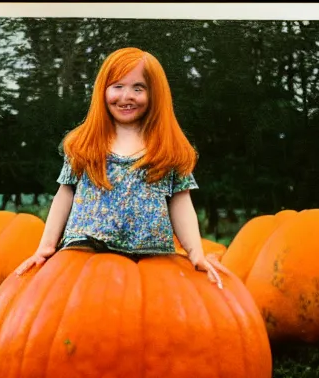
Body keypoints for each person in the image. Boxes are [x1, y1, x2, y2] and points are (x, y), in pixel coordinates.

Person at [14, 47, 225, 287]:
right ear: (102, 90)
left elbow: (181, 201)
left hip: (151, 255)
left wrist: (195, 252)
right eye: (118, 86)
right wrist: (46, 247)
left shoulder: (169, 148)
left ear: (155, 94)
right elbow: (65, 193)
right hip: (87, 252)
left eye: (138, 88)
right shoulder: (84, 144)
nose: (127, 97)